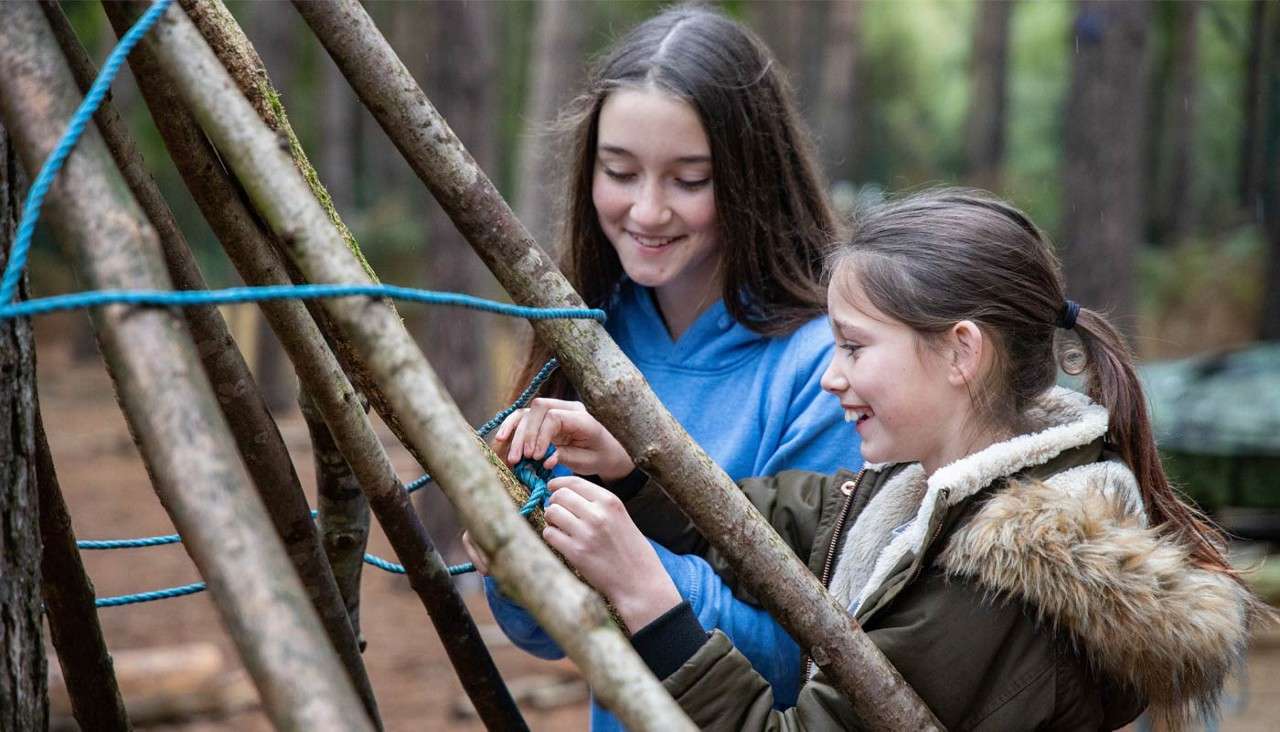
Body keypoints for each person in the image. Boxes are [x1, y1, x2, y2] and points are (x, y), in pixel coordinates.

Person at [521, 189, 1266, 729]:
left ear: (961, 353)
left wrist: (650, 599)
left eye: (853, 346)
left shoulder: (1003, 574)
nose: (829, 375)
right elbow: (799, 521)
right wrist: (635, 470)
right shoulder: (940, 487)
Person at [472, 5, 861, 729]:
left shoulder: (827, 369)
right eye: (619, 171)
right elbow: (550, 639)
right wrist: (516, 566)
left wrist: (637, 568)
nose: (647, 211)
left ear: (754, 177)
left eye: (689, 180)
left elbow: (818, 666)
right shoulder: (590, 328)